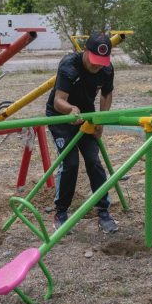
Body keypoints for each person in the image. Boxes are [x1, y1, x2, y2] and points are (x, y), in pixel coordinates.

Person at [45, 31, 119, 234]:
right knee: (70, 163)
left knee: (94, 161)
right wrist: (70, 109)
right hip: (61, 117)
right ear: (85, 51)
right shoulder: (69, 65)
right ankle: (61, 213)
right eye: (94, 60)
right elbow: (59, 100)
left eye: (101, 62)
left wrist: (101, 120)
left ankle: (103, 211)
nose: (96, 66)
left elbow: (106, 93)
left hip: (86, 117)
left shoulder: (106, 69)